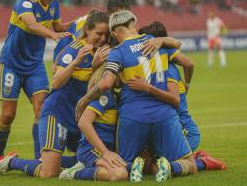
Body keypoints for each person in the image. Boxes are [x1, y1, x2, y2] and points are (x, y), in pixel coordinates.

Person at [76, 11, 197, 182]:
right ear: (136, 25)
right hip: (164, 114)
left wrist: (84, 99)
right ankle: (169, 166)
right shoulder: (156, 42)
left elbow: (105, 84)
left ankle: (134, 166)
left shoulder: (117, 52)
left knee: (122, 165)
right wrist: (186, 85)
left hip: (132, 117)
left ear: (114, 34)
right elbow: (189, 63)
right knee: (189, 163)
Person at [0, 10, 110, 178]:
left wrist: (96, 66)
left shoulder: (103, 52)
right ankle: (12, 161)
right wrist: (76, 63)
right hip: (58, 114)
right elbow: (56, 82)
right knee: (48, 173)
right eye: (99, 33)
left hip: (78, 118)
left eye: (106, 34)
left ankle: (57, 162)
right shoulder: (75, 50)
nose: (103, 38)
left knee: (86, 159)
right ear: (88, 30)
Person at [0, 0, 72, 164]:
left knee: (41, 109)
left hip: (34, 66)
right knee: (8, 114)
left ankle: (40, 159)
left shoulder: (54, 5)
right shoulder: (24, 3)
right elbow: (31, 25)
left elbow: (59, 27)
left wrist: (82, 22)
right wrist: (53, 35)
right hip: (11, 65)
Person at [135, 21, 227, 172]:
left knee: (160, 166)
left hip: (184, 130)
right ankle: (194, 156)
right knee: (149, 162)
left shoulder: (169, 70)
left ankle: (203, 162)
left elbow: (188, 66)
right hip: (165, 128)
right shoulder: (153, 69)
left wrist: (148, 88)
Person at [59, 63, 128, 181]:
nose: (122, 75)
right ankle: (75, 173)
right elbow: (83, 123)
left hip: (106, 150)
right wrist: (105, 152)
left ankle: (78, 165)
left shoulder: (115, 96)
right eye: (119, 72)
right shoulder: (104, 96)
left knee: (124, 170)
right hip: (92, 150)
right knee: (119, 174)